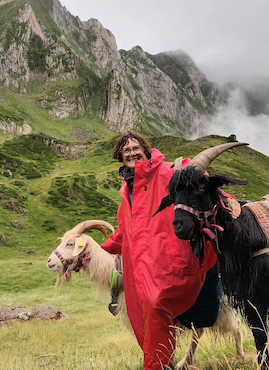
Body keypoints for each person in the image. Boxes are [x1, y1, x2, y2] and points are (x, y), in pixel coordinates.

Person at [101, 131, 218, 370]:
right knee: (142, 321)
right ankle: (161, 363)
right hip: (139, 269)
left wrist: (225, 199)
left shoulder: (165, 171)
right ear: (120, 157)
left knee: (156, 307)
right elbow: (123, 233)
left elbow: (195, 175)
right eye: (126, 150)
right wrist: (96, 251)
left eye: (136, 148)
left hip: (167, 260)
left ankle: (156, 366)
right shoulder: (127, 190)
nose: (132, 153)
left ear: (145, 149)